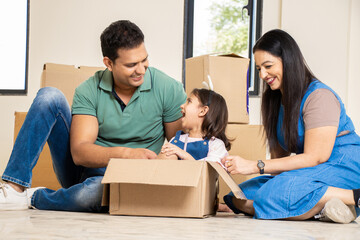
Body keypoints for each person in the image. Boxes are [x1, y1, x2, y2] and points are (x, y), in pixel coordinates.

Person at [0, 20, 187, 212]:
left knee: (94, 194)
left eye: (144, 60)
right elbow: (80, 152)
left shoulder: (168, 88)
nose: (141, 70)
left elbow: (180, 144)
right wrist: (128, 154)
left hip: (136, 181)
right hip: (87, 174)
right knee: (49, 96)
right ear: (109, 63)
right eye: (131, 64)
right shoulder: (89, 90)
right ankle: (15, 188)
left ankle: (34, 198)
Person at [221, 29, 360, 223]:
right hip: (312, 170)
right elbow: (280, 161)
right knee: (239, 195)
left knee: (277, 191)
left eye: (268, 66)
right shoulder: (276, 101)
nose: (262, 74)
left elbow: (316, 157)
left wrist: (254, 166)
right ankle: (322, 206)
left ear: (288, 60)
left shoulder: (319, 96)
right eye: (259, 69)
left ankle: (353, 198)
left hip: (342, 164)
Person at [159, 88, 230, 165]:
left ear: (203, 111)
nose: (182, 106)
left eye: (189, 101)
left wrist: (184, 155)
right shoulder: (176, 140)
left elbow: (209, 171)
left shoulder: (216, 145)